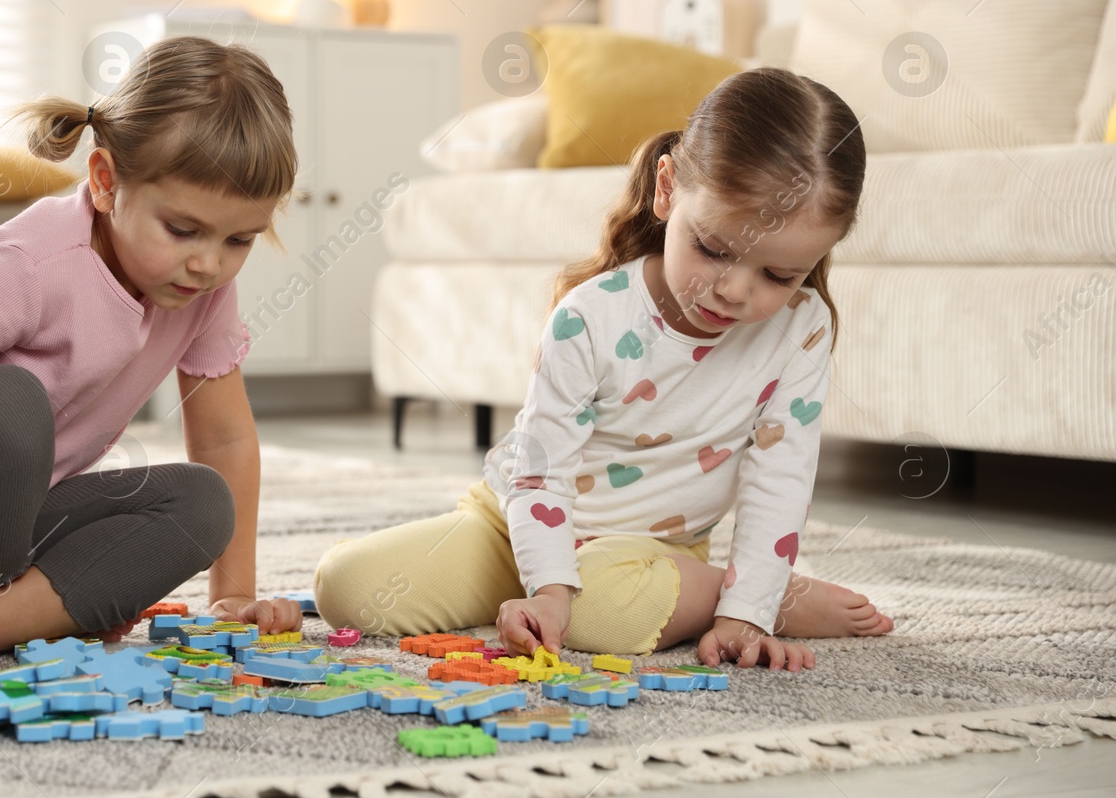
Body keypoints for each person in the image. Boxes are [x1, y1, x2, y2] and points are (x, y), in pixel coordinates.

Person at [313, 68, 895, 671]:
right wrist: (548, 587)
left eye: (779, 276)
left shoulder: (801, 329)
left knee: (603, 613)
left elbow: (782, 479)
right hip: (516, 524)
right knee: (346, 587)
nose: (734, 291)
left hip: (648, 552)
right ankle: (586, 593)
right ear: (667, 189)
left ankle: (757, 595)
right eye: (714, 250)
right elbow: (541, 470)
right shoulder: (590, 316)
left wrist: (745, 613)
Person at [0, 36, 304, 684]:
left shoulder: (202, 291)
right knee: (9, 398)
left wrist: (232, 592)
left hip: (2, 531)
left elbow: (225, 436)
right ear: (105, 182)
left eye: (239, 239)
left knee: (204, 501)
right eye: (182, 229)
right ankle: (45, 607)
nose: (209, 262)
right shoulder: (33, 263)